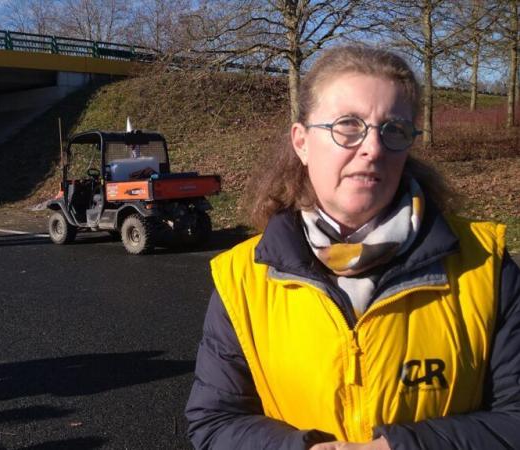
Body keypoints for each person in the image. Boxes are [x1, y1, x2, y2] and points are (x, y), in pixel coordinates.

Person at [185, 45, 520, 449]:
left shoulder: (485, 264)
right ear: (302, 142)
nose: (373, 148)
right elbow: (214, 422)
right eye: (348, 125)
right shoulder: (243, 278)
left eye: (393, 129)